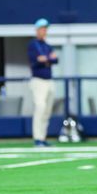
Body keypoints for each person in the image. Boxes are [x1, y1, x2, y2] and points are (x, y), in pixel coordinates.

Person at [27, 18, 58, 147]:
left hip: (49, 80)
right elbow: (38, 60)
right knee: (40, 108)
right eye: (42, 29)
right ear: (37, 30)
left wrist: (47, 59)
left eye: (46, 29)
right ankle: (37, 138)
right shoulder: (33, 45)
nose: (44, 31)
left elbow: (55, 59)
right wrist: (47, 59)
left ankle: (43, 137)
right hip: (38, 81)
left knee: (47, 110)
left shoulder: (47, 45)